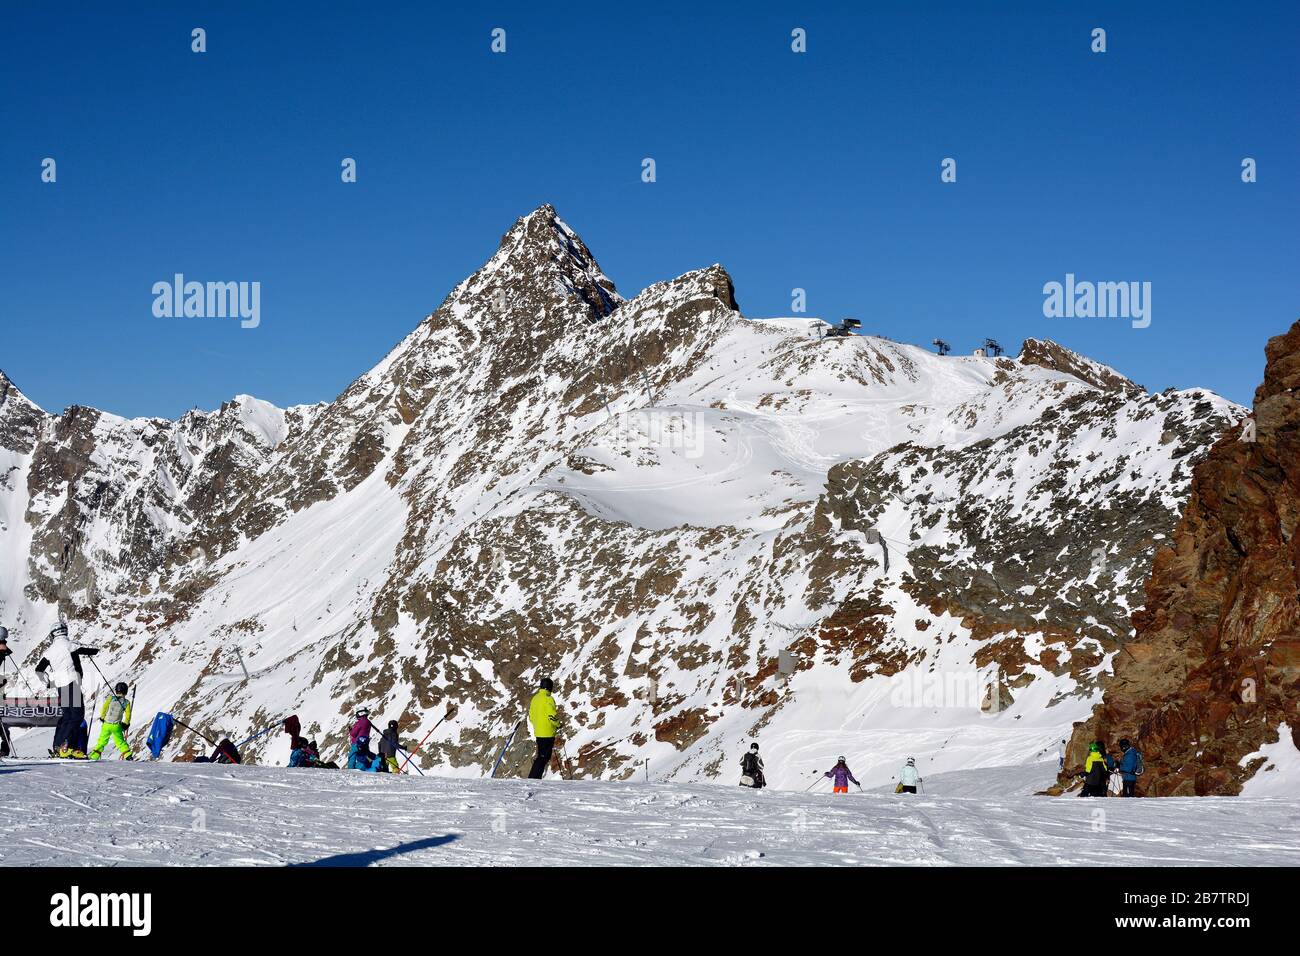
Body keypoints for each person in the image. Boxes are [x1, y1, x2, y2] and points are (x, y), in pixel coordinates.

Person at [33, 622, 97, 757]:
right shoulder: (70, 645)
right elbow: (92, 649)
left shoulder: (50, 651)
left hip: (61, 686)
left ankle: (57, 746)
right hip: (72, 682)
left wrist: (49, 682)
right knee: (77, 716)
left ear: (53, 634)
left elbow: (38, 670)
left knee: (67, 717)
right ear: (65, 631)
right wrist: (96, 650)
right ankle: (65, 747)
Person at [88, 681, 133, 760]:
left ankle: (94, 756)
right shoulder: (126, 702)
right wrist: (126, 724)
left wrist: (102, 717)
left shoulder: (111, 698)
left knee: (102, 741)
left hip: (106, 724)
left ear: (116, 690)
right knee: (120, 741)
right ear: (125, 691)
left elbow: (104, 708)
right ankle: (128, 755)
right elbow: (128, 715)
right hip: (117, 726)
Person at [527, 677, 559, 779]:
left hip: (538, 732)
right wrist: (558, 724)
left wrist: (538, 724)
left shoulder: (535, 699)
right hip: (548, 732)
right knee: (544, 757)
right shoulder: (548, 699)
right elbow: (552, 716)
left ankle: (535, 777)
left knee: (541, 756)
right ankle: (533, 778)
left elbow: (531, 716)